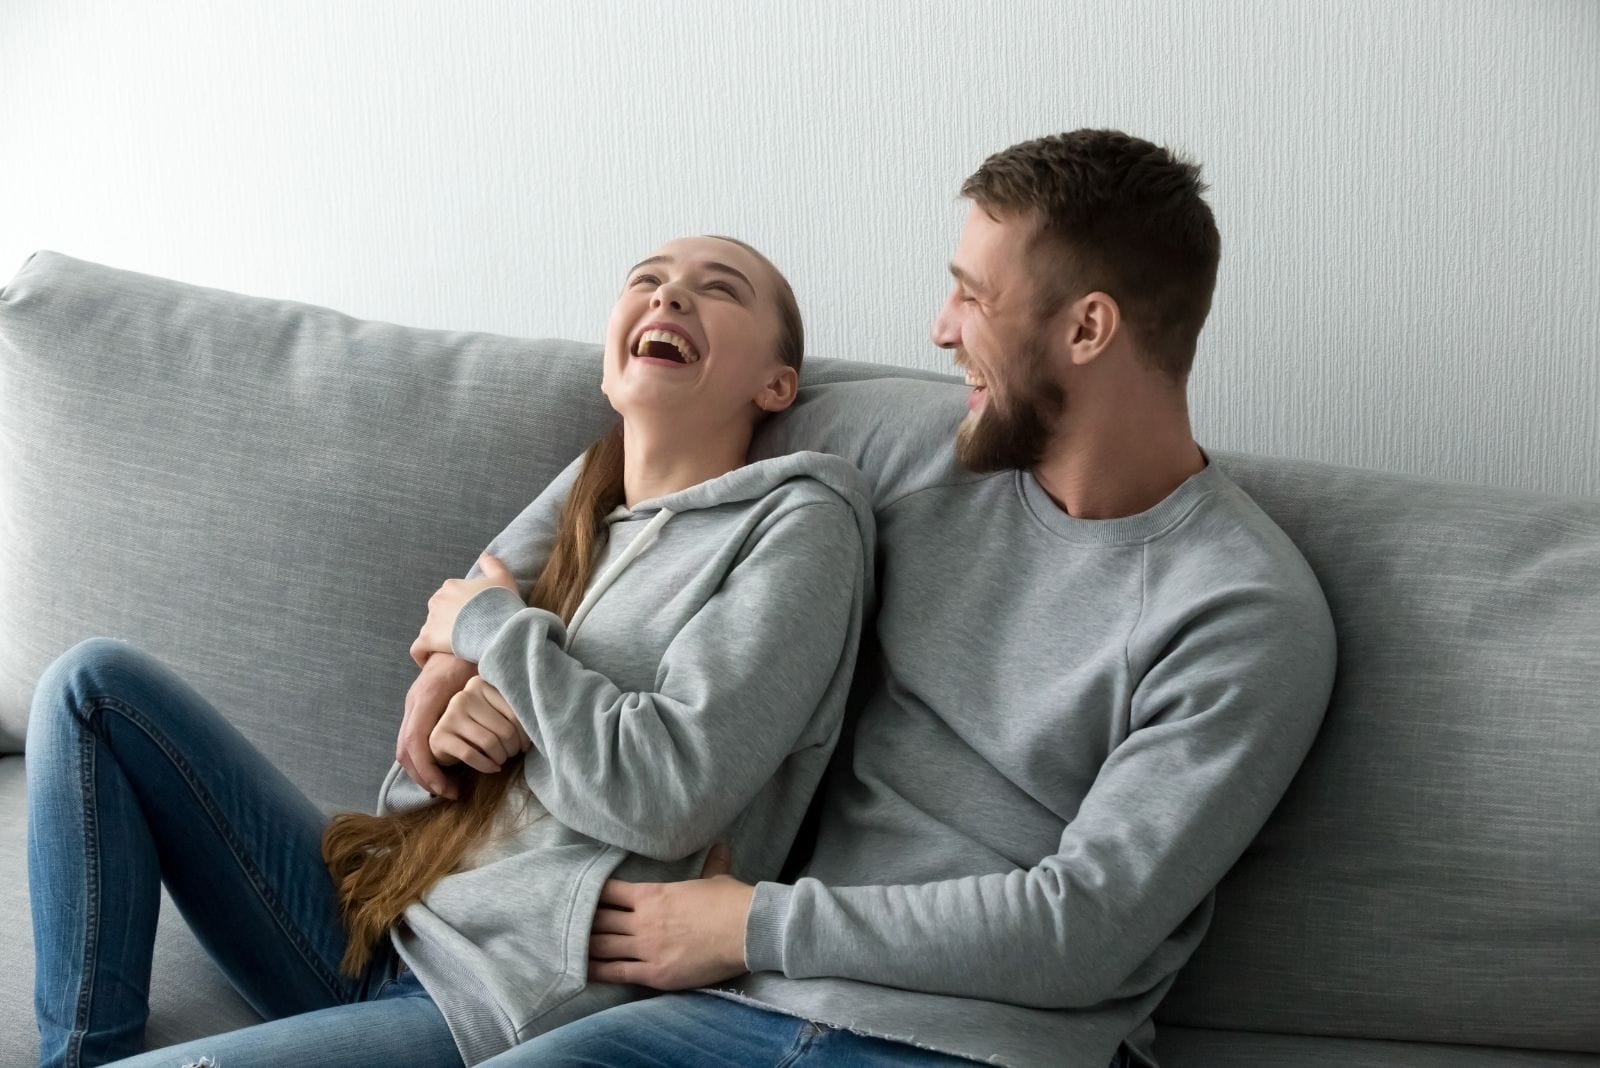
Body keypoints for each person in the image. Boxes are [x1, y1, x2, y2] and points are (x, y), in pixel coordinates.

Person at [472, 131, 1339, 1068]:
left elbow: (1080, 933)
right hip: (753, 1004)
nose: (940, 328)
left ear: (1087, 330)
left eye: (973, 295)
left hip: (976, 1041)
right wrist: (466, 645)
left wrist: (753, 925)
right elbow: (654, 441)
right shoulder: (915, 443)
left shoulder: (1245, 614)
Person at [26, 235, 876, 1067]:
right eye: (646, 279)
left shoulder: (802, 522)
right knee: (91, 687)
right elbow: (457, 610)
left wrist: (503, 653)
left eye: (719, 288)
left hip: (499, 992)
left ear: (778, 383)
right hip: (381, 904)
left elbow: (665, 795)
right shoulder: (589, 499)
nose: (669, 294)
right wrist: (462, 668)